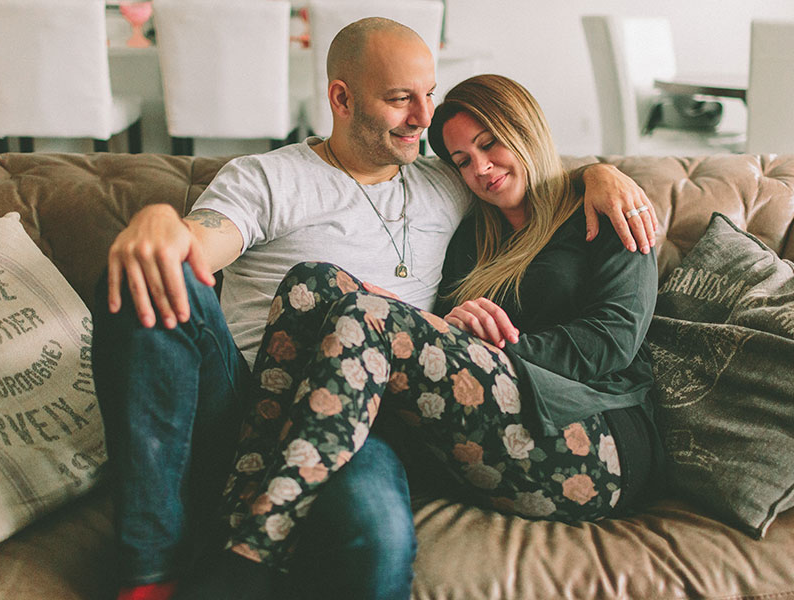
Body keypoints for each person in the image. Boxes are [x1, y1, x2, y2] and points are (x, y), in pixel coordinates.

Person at [91, 17, 658, 600]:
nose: (423, 117)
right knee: (192, 276)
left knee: (374, 528)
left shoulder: (450, 184)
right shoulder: (272, 177)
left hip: (385, 406)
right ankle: (151, 574)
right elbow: (198, 243)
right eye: (399, 99)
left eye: (428, 95)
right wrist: (161, 221)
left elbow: (534, 168)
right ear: (341, 97)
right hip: (244, 396)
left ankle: (244, 550)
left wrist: (603, 173)